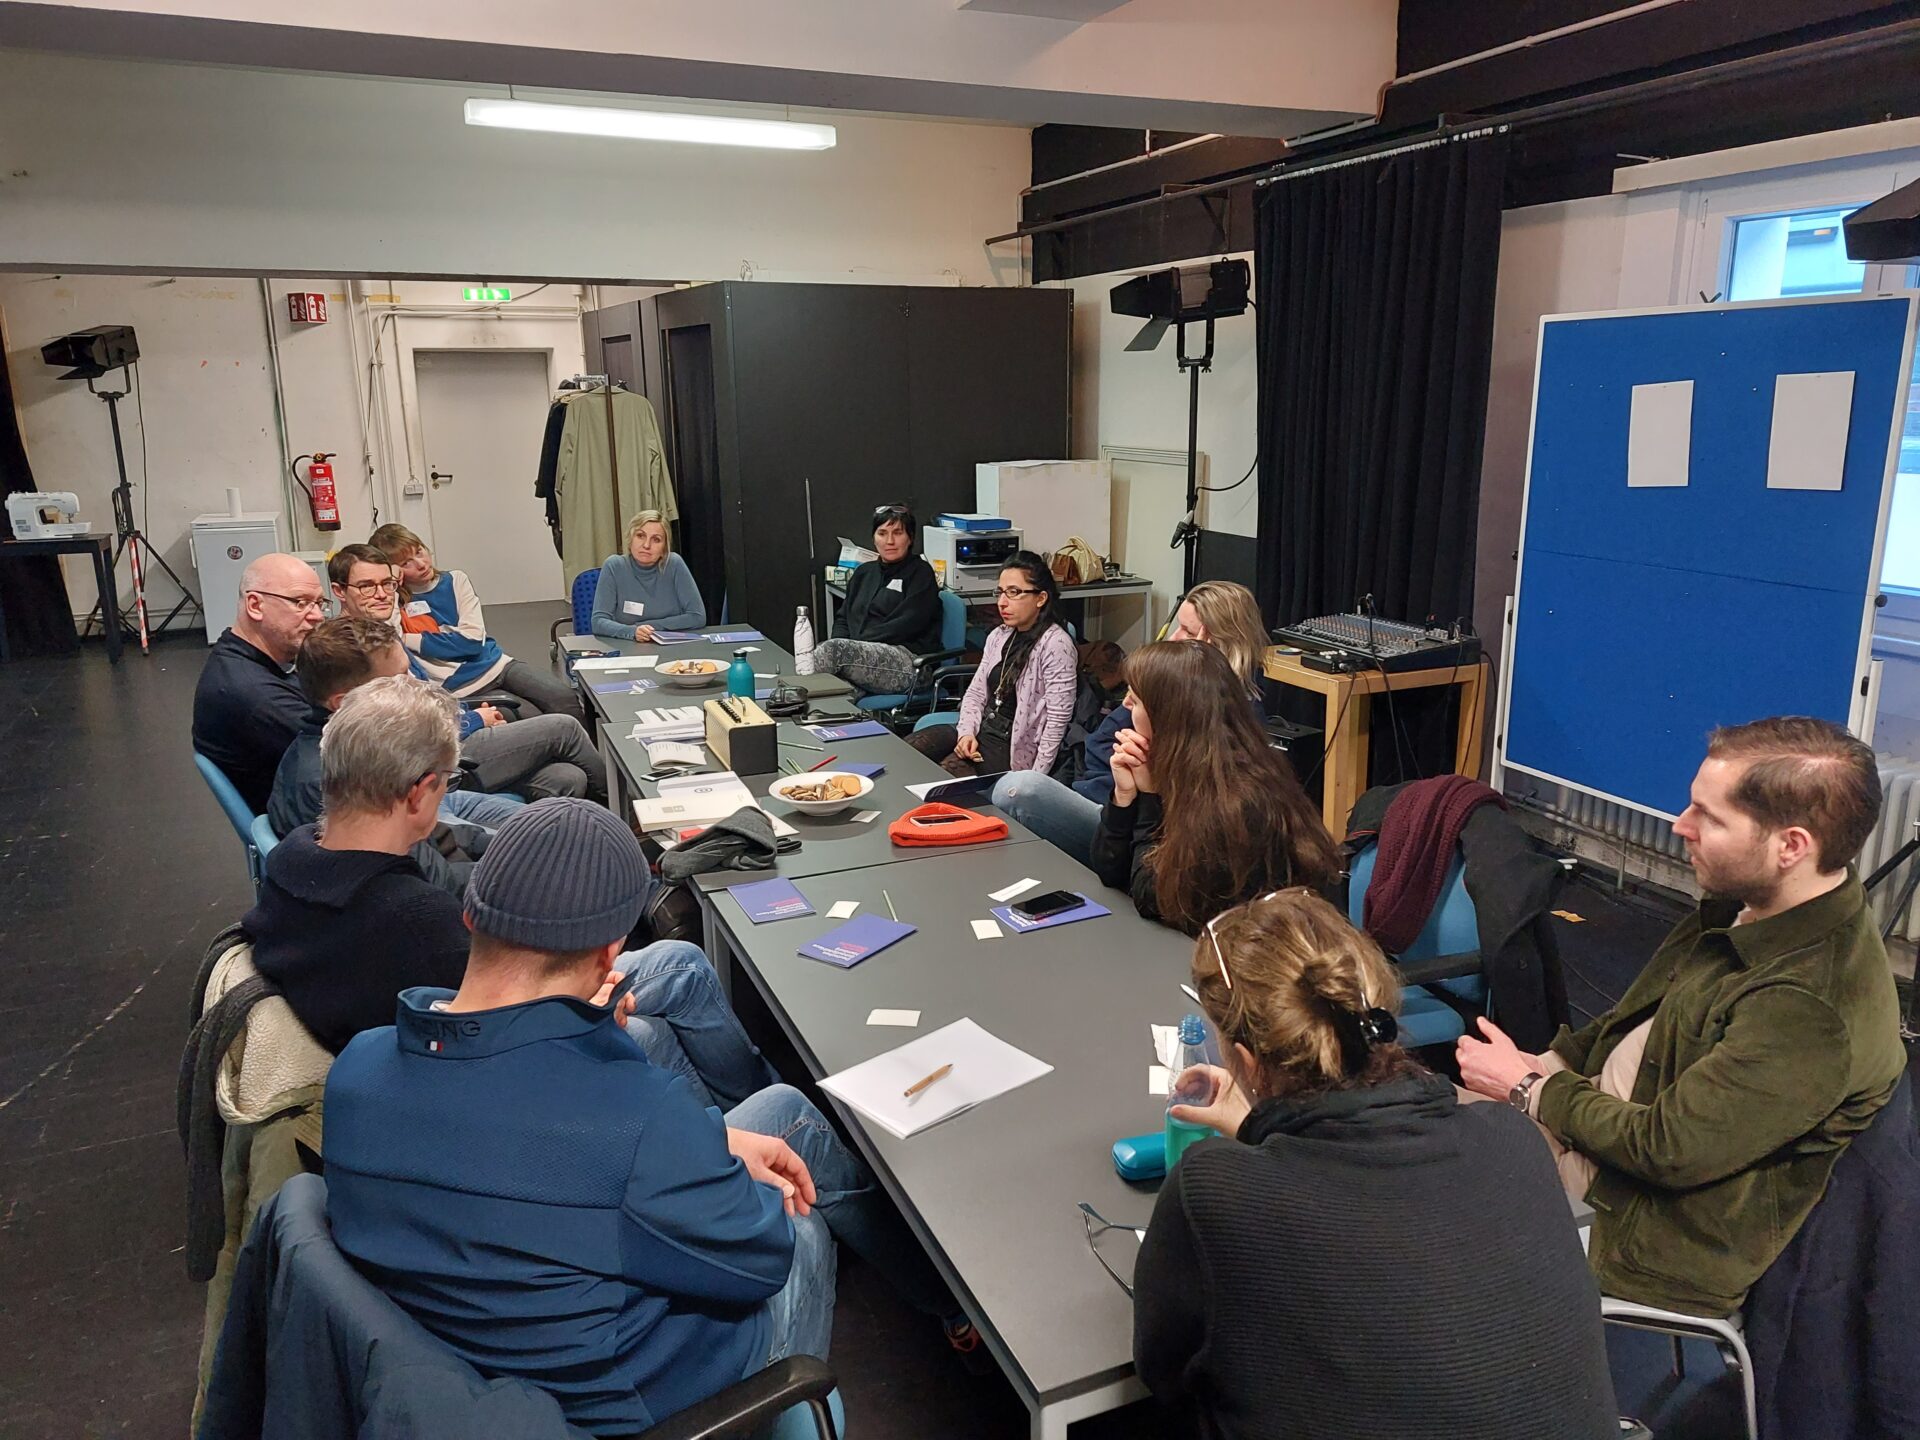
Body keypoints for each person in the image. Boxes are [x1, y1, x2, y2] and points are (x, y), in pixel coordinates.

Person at [322, 799, 976, 1436]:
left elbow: (525, 1135)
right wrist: (602, 1057)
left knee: (783, 1116)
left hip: (483, 1367)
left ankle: (942, 1296)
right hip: (636, 1400)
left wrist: (597, 1053)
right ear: (610, 954)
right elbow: (760, 1258)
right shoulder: (629, 1116)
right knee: (801, 1225)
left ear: (470, 916)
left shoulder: (355, 1071)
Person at [1457, 715, 1907, 1318]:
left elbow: (1666, 1149)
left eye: (1709, 817)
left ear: (1791, 846)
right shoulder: (1742, 907)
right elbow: (1628, 1019)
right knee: (1385, 1134)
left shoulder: (1812, 1008)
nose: (1680, 826)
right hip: (1594, 1135)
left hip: (1638, 1233)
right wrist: (1547, 1065)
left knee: (1404, 1209)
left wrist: (1528, 1088)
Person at [1133, 888, 1618, 1440]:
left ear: (1245, 1062)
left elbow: (1164, 1373)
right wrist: (1256, 1126)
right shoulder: (1512, 1138)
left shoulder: (1212, 1191)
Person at [994, 579, 1269, 863]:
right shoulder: (1160, 685)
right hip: (1108, 801)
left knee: (1020, 791)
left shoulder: (1236, 716)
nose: (1174, 638)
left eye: (1187, 631)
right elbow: (1099, 742)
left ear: (1216, 642)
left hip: (1139, 830)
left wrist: (1199, 663)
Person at [1089, 640, 1340, 934]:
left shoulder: (1239, 798)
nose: (1126, 705)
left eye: (1136, 699)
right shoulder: (1176, 765)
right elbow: (1109, 871)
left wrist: (1149, 798)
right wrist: (1124, 797)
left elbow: (1152, 898)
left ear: (1167, 714)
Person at [265, 616, 522, 898]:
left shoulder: (363, 748)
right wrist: (523, 867)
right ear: (346, 702)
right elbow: (436, 883)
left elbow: (435, 836)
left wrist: (499, 847)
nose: (415, 684)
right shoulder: (340, 782)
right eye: (398, 680)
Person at [330, 544, 606, 802]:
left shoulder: (382, 633)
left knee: (568, 776)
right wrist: (474, 719)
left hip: (455, 724)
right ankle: (633, 815)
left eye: (387, 584)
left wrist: (467, 713)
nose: (381, 594)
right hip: (434, 756)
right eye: (366, 586)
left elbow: (427, 697)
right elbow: (408, 732)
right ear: (339, 591)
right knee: (562, 727)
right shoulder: (352, 651)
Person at [368, 523, 585, 722]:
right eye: (406, 563)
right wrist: (391, 586)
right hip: (461, 686)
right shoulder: (394, 602)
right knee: (533, 716)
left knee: (563, 698)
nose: (421, 563)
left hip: (496, 664)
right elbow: (394, 637)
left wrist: (411, 638)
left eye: (419, 551)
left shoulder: (455, 580)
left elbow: (471, 641)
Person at [908, 551, 1078, 778]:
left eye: (1014, 593)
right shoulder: (1000, 635)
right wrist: (966, 733)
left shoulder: (1056, 644)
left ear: (1041, 598)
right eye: (1000, 592)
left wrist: (1034, 782)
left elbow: (1056, 724)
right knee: (911, 749)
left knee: (942, 776)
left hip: (1012, 747)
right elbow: (975, 694)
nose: (1002, 602)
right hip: (983, 727)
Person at [192, 553, 328, 812]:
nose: (317, 616)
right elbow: (352, 753)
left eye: (320, 603)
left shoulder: (243, 655)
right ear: (255, 605)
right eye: (301, 603)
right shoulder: (254, 695)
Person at [809, 504, 943, 695]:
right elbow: (843, 618)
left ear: (910, 538)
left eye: (897, 533)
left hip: (911, 663)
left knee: (832, 652)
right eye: (882, 533)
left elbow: (906, 624)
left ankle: (796, 692)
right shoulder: (864, 572)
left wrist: (854, 646)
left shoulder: (921, 574)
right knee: (837, 693)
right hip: (859, 656)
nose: (890, 541)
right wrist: (848, 646)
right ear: (874, 538)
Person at [590, 509, 706, 641]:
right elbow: (598, 622)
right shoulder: (614, 566)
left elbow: (697, 616)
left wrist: (647, 628)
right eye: (640, 536)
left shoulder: (674, 564)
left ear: (664, 548)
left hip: (672, 646)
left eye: (656, 540)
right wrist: (632, 632)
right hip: (627, 647)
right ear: (630, 539)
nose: (646, 545)